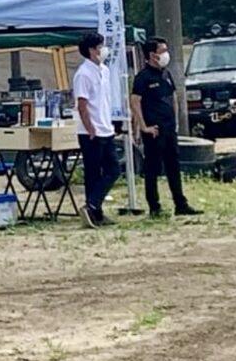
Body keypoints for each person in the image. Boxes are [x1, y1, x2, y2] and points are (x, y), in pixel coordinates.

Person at [131, 37, 202, 218]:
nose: (165, 54)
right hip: (154, 129)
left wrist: (176, 121)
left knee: (173, 166)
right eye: (162, 51)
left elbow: (173, 96)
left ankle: (181, 204)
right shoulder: (143, 77)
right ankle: (154, 206)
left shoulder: (165, 74)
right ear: (152, 55)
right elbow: (135, 102)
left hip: (169, 127)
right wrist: (143, 127)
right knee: (153, 168)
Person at [72, 32, 122, 228]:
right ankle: (94, 211)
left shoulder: (104, 70)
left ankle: (93, 204)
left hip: (106, 127)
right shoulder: (83, 74)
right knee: (93, 172)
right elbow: (82, 104)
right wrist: (90, 128)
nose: (103, 50)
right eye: (100, 47)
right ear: (92, 50)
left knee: (113, 169)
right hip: (90, 131)